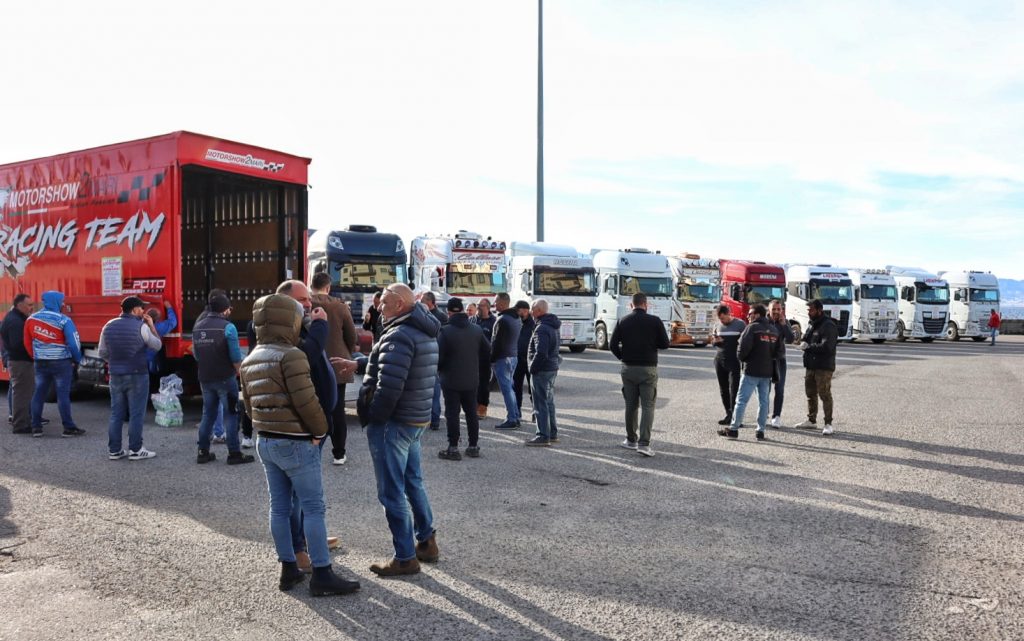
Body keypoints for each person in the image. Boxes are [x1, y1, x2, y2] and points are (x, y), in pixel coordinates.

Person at [241, 294, 360, 597]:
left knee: (279, 508)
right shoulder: (291, 355)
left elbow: (248, 404)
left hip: (266, 439)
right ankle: (322, 573)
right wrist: (321, 431)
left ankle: (288, 569)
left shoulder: (252, 356)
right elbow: (306, 401)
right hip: (297, 441)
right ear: (290, 319)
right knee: (313, 507)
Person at [358, 283, 439, 577]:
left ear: (401, 306)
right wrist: (359, 365)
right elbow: (395, 369)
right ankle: (426, 541)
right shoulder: (422, 331)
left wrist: (374, 418)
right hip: (414, 420)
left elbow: (390, 388)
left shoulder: (399, 335)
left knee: (391, 492)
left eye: (385, 303)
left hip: (394, 423)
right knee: (413, 481)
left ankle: (405, 558)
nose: (379, 307)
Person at [99, 296, 163, 460]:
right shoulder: (141, 327)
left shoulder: (108, 325)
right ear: (134, 310)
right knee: (136, 413)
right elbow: (157, 345)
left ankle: (114, 450)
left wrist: (116, 362)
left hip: (115, 374)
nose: (143, 312)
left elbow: (103, 353)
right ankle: (135, 449)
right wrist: (152, 326)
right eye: (142, 308)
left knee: (116, 413)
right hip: (137, 374)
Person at [193, 295, 254, 465]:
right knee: (231, 414)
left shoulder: (198, 327)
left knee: (208, 415)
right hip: (225, 378)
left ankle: (202, 452)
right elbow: (235, 356)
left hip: (205, 378)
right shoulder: (228, 327)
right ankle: (234, 453)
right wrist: (240, 373)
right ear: (225, 309)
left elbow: (196, 354)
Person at [609, 293, 670, 457]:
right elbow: (665, 343)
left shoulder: (623, 321)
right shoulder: (655, 321)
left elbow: (612, 344)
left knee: (631, 404)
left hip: (628, 367)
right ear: (646, 304)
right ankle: (644, 443)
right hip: (648, 367)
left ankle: (630, 439)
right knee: (648, 406)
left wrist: (622, 356)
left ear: (631, 305)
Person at [310, 272, 359, 466]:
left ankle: (312, 449)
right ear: (328, 287)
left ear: (312, 285)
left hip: (312, 362)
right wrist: (346, 352)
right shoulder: (339, 306)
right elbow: (351, 335)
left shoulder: (306, 304)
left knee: (311, 406)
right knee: (338, 409)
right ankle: (339, 453)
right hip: (337, 363)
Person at [24, 290, 83, 437]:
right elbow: (74, 343)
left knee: (38, 393)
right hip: (61, 363)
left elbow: (27, 342)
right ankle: (68, 428)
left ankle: (36, 427)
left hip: (40, 362)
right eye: (61, 301)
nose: (63, 303)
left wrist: (36, 356)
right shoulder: (64, 320)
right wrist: (77, 359)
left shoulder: (31, 319)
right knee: (62, 395)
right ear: (56, 302)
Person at [436, 297, 488, 461]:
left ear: (449, 312)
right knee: (471, 413)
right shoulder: (477, 330)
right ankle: (473, 446)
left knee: (452, 413)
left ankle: (453, 447)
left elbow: (439, 357)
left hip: (450, 379)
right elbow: (487, 351)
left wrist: (440, 370)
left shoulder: (445, 331)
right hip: (471, 378)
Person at [718, 304, 780, 441]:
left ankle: (733, 429)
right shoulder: (774, 330)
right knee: (764, 402)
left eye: (750, 313)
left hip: (751, 370)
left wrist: (743, 359)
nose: (748, 316)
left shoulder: (751, 328)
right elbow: (779, 352)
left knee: (741, 401)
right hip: (767, 372)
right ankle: (760, 431)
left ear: (757, 314)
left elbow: (742, 349)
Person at [794, 299, 839, 435]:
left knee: (824, 394)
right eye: (808, 310)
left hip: (823, 367)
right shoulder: (812, 324)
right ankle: (811, 420)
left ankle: (828, 423)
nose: (809, 312)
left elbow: (827, 346)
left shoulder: (828, 325)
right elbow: (807, 339)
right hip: (811, 365)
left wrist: (809, 347)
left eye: (811, 310)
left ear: (819, 310)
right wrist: (803, 342)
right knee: (810, 394)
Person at [525, 299, 561, 446]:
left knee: (540, 404)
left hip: (542, 370)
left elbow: (541, 352)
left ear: (539, 310)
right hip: (551, 368)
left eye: (532, 310)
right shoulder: (553, 326)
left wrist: (532, 368)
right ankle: (552, 433)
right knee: (549, 402)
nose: (531, 313)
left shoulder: (542, 328)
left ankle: (543, 435)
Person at [1, 294, 36, 435]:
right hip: (20, 362)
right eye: (29, 305)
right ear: (19, 305)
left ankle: (23, 421)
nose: (32, 308)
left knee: (21, 393)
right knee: (22, 394)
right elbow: (18, 344)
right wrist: (33, 352)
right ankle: (21, 425)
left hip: (18, 361)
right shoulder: (15, 322)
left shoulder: (14, 318)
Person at [491, 293, 522, 430]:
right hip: (512, 356)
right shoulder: (516, 318)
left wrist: (491, 359)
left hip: (503, 358)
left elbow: (498, 343)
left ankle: (512, 418)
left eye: (496, 301)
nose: (494, 303)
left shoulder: (503, 320)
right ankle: (515, 415)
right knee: (510, 387)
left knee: (506, 389)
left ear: (503, 303)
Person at [712, 305, 746, 426]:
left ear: (729, 314)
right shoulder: (717, 325)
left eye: (723, 318)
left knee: (734, 389)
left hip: (734, 360)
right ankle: (728, 414)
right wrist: (715, 341)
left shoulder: (740, 324)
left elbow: (745, 342)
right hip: (720, 359)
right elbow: (713, 341)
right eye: (720, 319)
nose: (722, 321)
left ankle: (736, 417)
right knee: (723, 389)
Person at [420, 291, 448, 431]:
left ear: (430, 302)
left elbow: (441, 339)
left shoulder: (441, 317)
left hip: (435, 357)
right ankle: (426, 418)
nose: (420, 302)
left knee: (435, 391)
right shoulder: (422, 315)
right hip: (424, 356)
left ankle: (435, 419)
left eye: (423, 300)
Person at [767, 300, 795, 428]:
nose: (776, 312)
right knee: (764, 389)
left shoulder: (785, 321)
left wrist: (784, 325)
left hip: (779, 360)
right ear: (769, 310)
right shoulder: (764, 321)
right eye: (774, 309)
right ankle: (764, 413)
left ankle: (776, 416)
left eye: (779, 309)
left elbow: (791, 339)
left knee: (779, 389)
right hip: (765, 360)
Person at [512, 300, 535, 419]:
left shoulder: (534, 324)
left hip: (530, 361)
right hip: (517, 360)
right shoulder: (516, 322)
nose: (516, 312)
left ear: (525, 311)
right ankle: (517, 412)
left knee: (533, 389)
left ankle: (536, 413)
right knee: (516, 387)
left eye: (518, 310)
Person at [145, 301, 178, 379]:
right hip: (148, 361)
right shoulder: (159, 327)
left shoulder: (138, 326)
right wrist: (169, 308)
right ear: (157, 318)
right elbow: (173, 322)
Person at [474, 299, 495, 418]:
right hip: (472, 358)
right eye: (477, 306)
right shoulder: (472, 320)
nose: (478, 308)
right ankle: (474, 405)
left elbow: (495, 341)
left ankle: (482, 407)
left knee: (483, 384)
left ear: (487, 307)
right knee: (472, 383)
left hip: (485, 358)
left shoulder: (493, 322)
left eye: (480, 306)